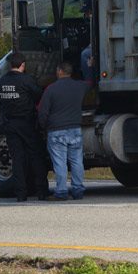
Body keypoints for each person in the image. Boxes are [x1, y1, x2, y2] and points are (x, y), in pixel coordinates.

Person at [0, 52, 49, 202]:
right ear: (23, 65)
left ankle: (20, 194)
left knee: (17, 159)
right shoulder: (27, 80)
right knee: (35, 156)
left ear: (11, 65)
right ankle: (42, 192)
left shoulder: (1, 82)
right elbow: (39, 95)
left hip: (9, 125)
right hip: (27, 124)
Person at [38, 61, 91, 200]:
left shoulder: (51, 89)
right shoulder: (80, 86)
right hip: (75, 129)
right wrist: (89, 66)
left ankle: (61, 192)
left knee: (60, 162)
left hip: (56, 131)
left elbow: (43, 112)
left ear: (60, 71)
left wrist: (43, 127)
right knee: (77, 161)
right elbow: (91, 82)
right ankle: (78, 190)